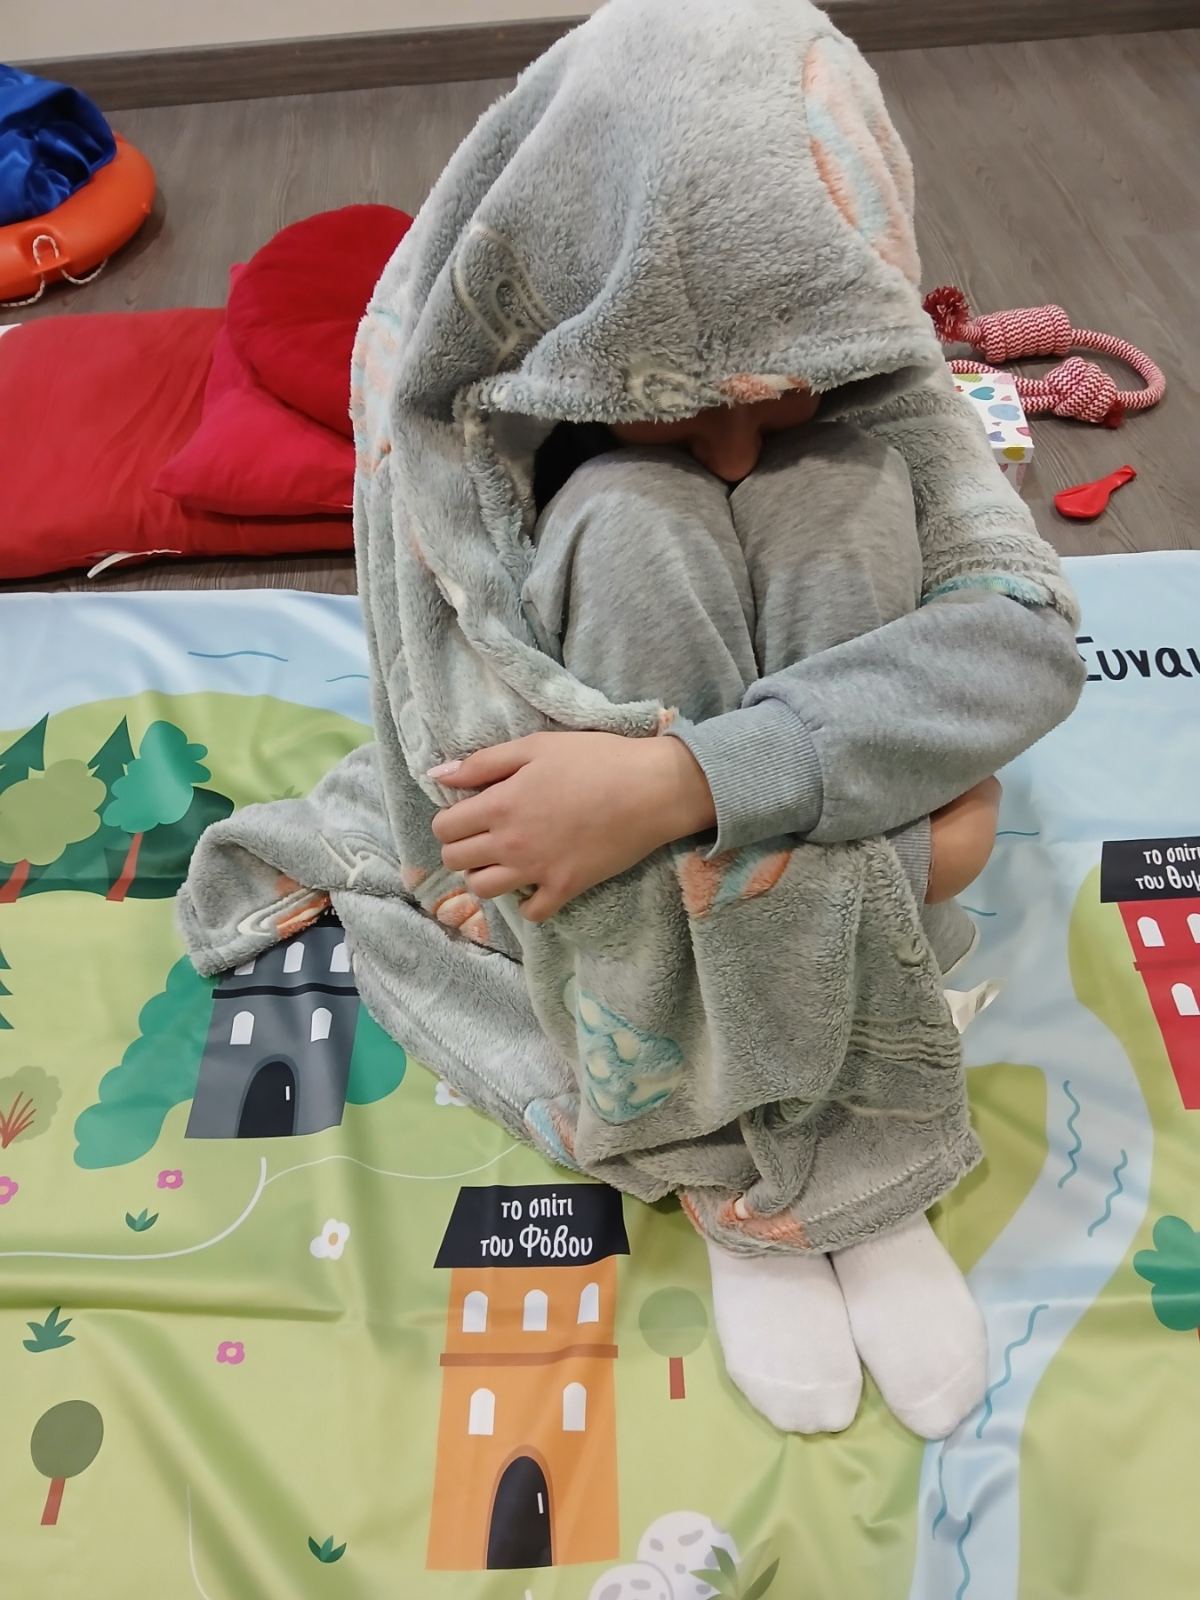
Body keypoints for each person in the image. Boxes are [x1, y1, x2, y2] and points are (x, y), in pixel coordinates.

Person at [180, 0, 1084, 1440]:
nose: (731, 447)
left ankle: (841, 1124)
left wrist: (688, 780)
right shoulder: (470, 421)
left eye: (781, 395)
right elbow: (496, 804)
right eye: (681, 405)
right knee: (628, 517)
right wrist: (923, 849)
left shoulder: (869, 362)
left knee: (841, 494)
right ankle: (727, 1157)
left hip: (751, 835)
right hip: (666, 913)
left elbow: (1024, 638)